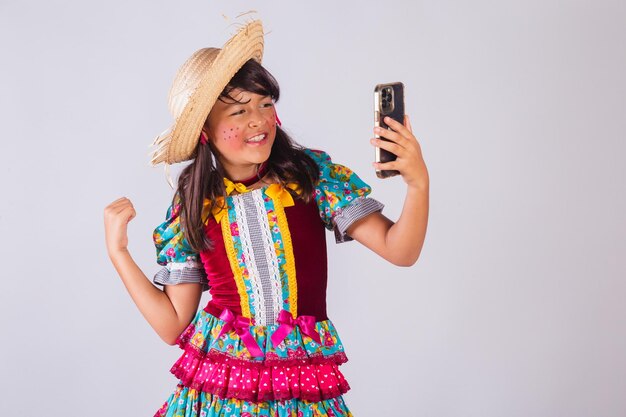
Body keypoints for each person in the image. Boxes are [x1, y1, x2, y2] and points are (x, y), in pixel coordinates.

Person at [103, 20, 429, 417]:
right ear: (205, 130)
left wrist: (418, 184)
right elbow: (172, 325)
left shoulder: (310, 178)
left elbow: (401, 250)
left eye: (265, 104)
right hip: (222, 388)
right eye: (239, 111)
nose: (258, 120)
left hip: (299, 385)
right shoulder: (195, 205)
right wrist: (119, 252)